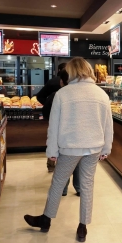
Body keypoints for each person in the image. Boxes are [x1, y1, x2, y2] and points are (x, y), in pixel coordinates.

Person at [24, 57, 113, 243]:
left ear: (71, 72)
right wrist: (106, 147)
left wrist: (52, 151)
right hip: (94, 146)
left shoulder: (63, 94)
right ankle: (83, 228)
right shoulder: (101, 94)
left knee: (58, 183)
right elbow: (108, 125)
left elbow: (54, 126)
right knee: (87, 186)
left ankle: (46, 220)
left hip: (70, 147)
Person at [42, 69, 80, 197]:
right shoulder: (81, 94)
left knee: (64, 164)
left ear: (62, 81)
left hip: (63, 137)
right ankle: (79, 188)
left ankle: (63, 190)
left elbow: (46, 111)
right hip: (78, 136)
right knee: (78, 162)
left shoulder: (58, 95)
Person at [36, 62, 66, 172]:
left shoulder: (52, 81)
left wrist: (49, 104)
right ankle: (63, 165)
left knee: (53, 137)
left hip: (53, 116)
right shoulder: (72, 84)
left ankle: (51, 165)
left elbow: (40, 96)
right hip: (67, 117)